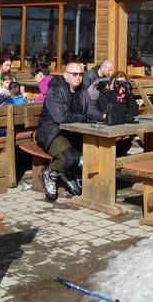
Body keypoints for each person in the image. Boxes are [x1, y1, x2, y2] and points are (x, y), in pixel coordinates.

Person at [35, 62, 105, 202]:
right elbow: (61, 117)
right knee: (71, 158)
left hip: (72, 133)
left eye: (80, 74)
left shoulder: (82, 90)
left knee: (98, 150)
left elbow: (89, 110)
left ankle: (73, 174)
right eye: (74, 74)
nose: (78, 77)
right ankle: (49, 173)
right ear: (65, 76)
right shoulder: (56, 90)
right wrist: (84, 118)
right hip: (51, 133)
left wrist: (103, 116)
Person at [96, 72, 138, 157]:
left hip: (120, 132)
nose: (121, 85)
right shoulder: (104, 94)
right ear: (112, 83)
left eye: (124, 83)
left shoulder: (126, 96)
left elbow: (135, 112)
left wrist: (129, 92)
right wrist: (113, 91)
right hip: (104, 132)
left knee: (126, 143)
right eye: (118, 82)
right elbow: (110, 112)